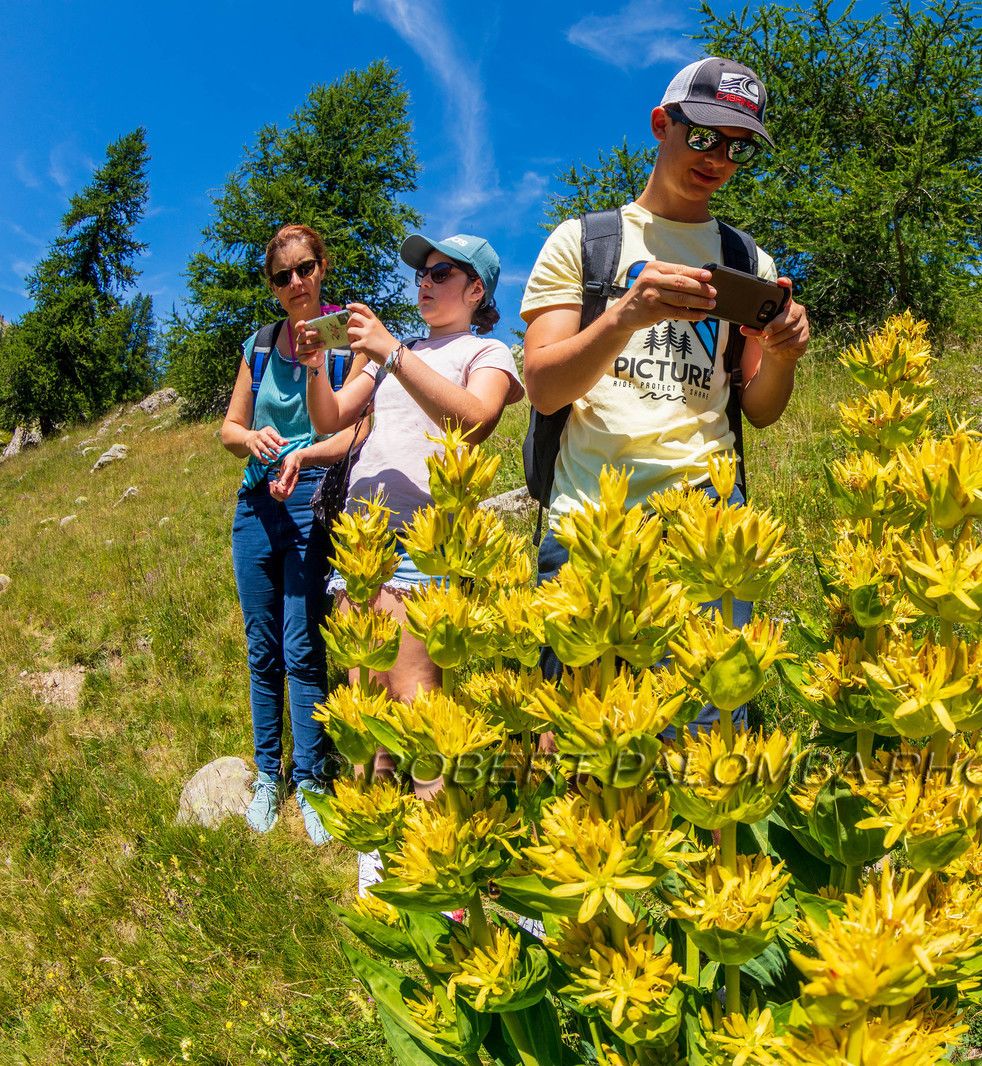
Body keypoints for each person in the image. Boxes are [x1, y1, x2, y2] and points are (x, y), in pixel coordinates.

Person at [520, 57, 810, 734]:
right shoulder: (587, 242)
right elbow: (542, 387)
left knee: (707, 738)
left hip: (708, 524)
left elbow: (759, 408)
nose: (719, 158)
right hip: (590, 517)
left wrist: (787, 356)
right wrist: (626, 313)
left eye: (739, 148)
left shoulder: (747, 263)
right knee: (586, 738)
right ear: (662, 124)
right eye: (705, 136)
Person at [299, 232, 524, 768]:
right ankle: (374, 835)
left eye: (441, 273)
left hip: (421, 542)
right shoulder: (395, 353)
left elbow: (475, 421)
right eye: (422, 273)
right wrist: (313, 365)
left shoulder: (484, 350)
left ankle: (428, 830)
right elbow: (330, 419)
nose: (425, 281)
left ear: (476, 291)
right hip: (360, 535)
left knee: (417, 700)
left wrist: (393, 353)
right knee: (366, 696)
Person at [219, 223, 358, 845]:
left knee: (303, 646)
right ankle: (267, 776)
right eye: (283, 276)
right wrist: (251, 440)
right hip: (255, 504)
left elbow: (354, 430)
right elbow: (229, 427)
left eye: (305, 269)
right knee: (261, 648)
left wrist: (306, 457)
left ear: (322, 267)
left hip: (310, 498)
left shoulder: (343, 335)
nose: (296, 282)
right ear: (272, 287)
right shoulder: (258, 343)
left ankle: (311, 781)